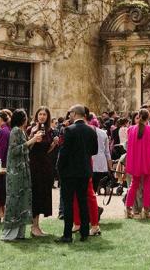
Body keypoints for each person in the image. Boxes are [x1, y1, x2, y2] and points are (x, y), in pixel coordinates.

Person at [57, 104, 97, 243]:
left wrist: (59, 168)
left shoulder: (69, 130)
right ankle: (84, 233)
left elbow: (64, 152)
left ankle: (67, 234)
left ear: (74, 114)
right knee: (83, 201)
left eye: (70, 113)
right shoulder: (91, 130)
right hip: (84, 170)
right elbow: (94, 151)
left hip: (69, 172)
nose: (69, 116)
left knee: (68, 203)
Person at [2, 109, 43, 241]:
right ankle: (10, 233)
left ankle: (20, 233)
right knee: (15, 199)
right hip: (16, 171)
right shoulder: (15, 131)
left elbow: (24, 149)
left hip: (23, 170)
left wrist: (33, 140)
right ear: (22, 119)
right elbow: (14, 150)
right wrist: (32, 141)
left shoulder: (21, 131)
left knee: (23, 199)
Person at [125, 108, 150, 218]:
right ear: (148, 117)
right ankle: (146, 210)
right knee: (147, 185)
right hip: (148, 161)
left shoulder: (130, 129)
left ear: (139, 116)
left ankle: (128, 209)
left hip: (136, 162)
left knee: (133, 185)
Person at [28, 106, 54, 237]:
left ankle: (37, 225)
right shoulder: (31, 129)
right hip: (34, 165)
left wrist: (54, 144)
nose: (42, 116)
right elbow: (28, 147)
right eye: (40, 114)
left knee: (43, 194)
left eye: (44, 114)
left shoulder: (50, 131)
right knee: (35, 194)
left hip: (45, 165)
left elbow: (47, 150)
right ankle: (33, 226)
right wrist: (33, 138)